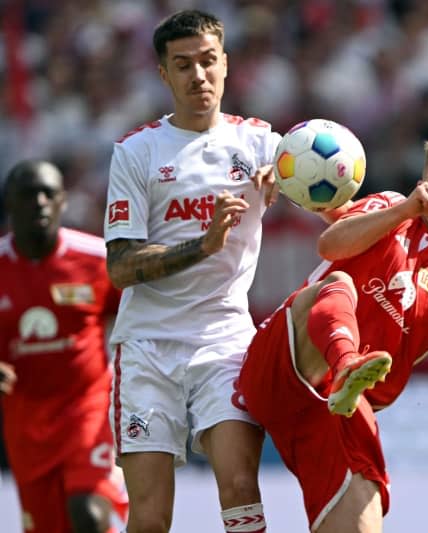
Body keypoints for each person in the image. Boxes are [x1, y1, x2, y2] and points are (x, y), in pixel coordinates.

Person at [237, 130, 428, 532]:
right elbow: (331, 245)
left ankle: (349, 380)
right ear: (423, 183)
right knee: (338, 286)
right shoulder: (388, 207)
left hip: (338, 412)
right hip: (285, 362)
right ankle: (348, 362)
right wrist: (406, 210)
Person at [103, 10, 281, 533]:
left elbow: (335, 191)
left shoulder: (262, 145)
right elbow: (120, 267)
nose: (198, 76)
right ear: (164, 74)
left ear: (226, 65)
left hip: (223, 340)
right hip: (147, 348)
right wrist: (203, 246)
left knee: (240, 486)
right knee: (152, 515)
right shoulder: (136, 153)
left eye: (207, 62)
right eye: (183, 65)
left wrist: (292, 177)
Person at [0, 160, 128, 532]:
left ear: (62, 202)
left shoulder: (97, 259)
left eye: (49, 194)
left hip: (87, 413)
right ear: (10, 203)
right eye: (28, 195)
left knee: (87, 514)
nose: (39, 202)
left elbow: (142, 315)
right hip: (26, 425)